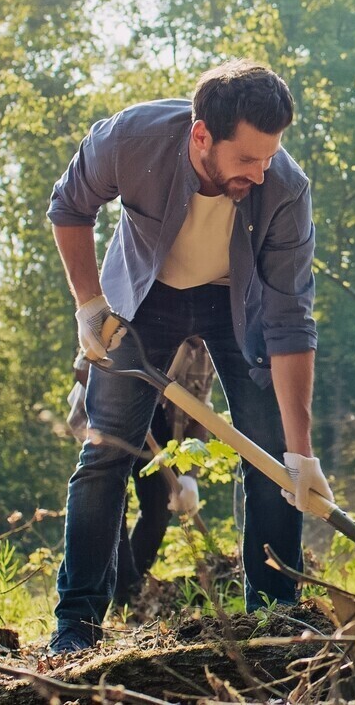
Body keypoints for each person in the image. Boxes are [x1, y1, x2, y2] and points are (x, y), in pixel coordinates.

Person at [46, 58, 325, 654]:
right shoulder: (130, 139)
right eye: (247, 158)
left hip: (237, 302)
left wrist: (301, 453)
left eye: (270, 154)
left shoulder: (285, 189)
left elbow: (290, 321)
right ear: (202, 135)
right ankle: (77, 624)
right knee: (106, 454)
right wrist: (89, 305)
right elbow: (70, 205)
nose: (262, 169)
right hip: (145, 299)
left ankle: (276, 621)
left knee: (272, 458)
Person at [66, 337, 216, 608]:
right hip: (112, 411)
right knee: (111, 501)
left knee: (160, 504)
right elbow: (82, 369)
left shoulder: (204, 351)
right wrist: (129, 395)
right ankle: (126, 592)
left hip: (160, 419)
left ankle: (130, 590)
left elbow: (200, 416)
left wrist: (189, 478)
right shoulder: (136, 315)